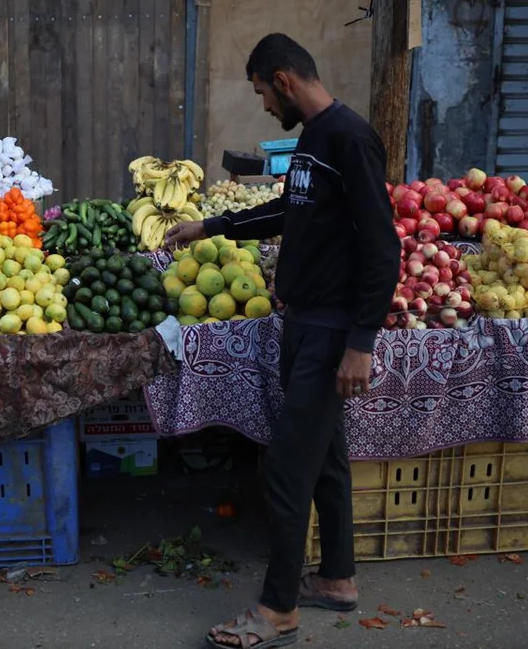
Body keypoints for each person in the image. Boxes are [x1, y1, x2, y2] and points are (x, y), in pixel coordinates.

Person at [164, 33, 400, 648]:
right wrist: (212, 225)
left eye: (263, 93)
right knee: (326, 459)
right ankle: (339, 579)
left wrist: (361, 342)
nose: (265, 106)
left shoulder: (349, 139)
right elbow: (290, 211)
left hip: (329, 330)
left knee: (289, 469)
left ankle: (278, 611)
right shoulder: (314, 140)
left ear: (283, 80)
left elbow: (384, 248)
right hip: (305, 323)